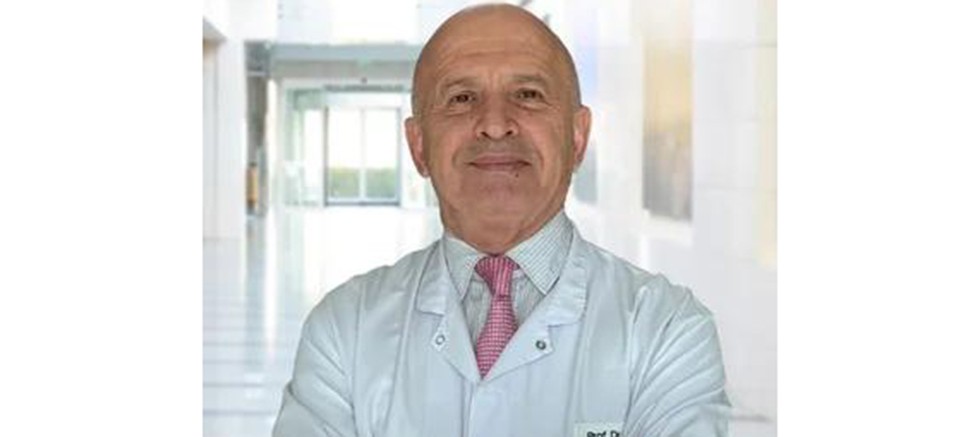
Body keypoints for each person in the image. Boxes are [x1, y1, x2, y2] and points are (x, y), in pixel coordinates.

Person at [273, 4, 730, 436]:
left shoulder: (666, 329)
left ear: (577, 137)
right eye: (461, 98)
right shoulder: (345, 328)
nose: (494, 124)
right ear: (418, 146)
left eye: (528, 95)